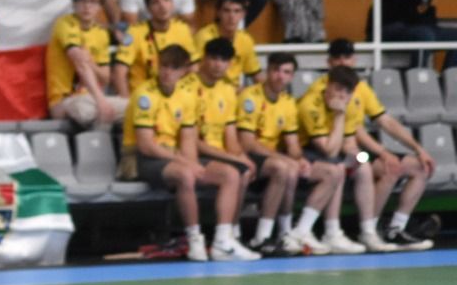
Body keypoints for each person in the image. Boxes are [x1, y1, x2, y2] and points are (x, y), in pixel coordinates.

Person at [120, 44, 258, 262]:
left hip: (171, 155)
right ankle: (195, 240)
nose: (167, 72)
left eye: (174, 68)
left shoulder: (186, 96)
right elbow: (146, 146)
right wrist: (188, 165)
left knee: (230, 174)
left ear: (184, 71)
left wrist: (193, 163)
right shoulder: (144, 95)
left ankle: (223, 241)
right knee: (185, 174)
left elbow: (188, 140)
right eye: (164, 65)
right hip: (138, 159)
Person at [300, 43, 437, 249]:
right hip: (334, 154)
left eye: (347, 57)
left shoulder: (359, 88)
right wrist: (379, 153)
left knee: (417, 166)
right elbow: (338, 143)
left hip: (357, 151)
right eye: (337, 58)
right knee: (369, 165)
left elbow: (380, 123)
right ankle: (366, 231)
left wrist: (416, 149)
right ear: (329, 63)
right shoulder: (323, 93)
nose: (342, 62)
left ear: (354, 60)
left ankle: (393, 229)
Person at [235, 52, 345, 256]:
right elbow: (247, 143)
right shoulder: (250, 96)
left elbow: (292, 144)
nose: (280, 76)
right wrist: (285, 158)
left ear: (292, 76)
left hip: (277, 158)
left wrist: (300, 159)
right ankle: (262, 237)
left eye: (286, 72)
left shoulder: (288, 103)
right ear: (268, 71)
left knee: (334, 172)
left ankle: (296, 232)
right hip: (251, 158)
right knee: (283, 168)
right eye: (276, 70)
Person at [181, 40, 263, 251]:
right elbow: (193, 141)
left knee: (244, 171)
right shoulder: (186, 88)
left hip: (219, 154)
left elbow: (231, 138)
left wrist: (241, 156)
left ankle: (231, 234)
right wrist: (233, 159)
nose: (218, 65)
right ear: (203, 59)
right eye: (214, 59)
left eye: (224, 60)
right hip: (193, 154)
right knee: (233, 173)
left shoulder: (227, 90)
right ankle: (222, 240)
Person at [46, 0, 123, 127]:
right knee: (87, 110)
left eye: (93, 1)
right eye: (82, 0)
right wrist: (102, 101)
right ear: (74, 4)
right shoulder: (65, 24)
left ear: (100, 7)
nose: (87, 6)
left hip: (92, 98)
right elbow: (80, 63)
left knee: (132, 108)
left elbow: (105, 78)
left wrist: (91, 62)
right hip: (64, 101)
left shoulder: (101, 33)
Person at [113, 0, 196, 95]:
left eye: (166, 0)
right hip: (143, 99)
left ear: (172, 3)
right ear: (148, 8)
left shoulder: (183, 29)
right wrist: (127, 104)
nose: (162, 6)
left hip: (177, 99)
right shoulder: (135, 32)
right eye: (155, 2)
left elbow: (193, 67)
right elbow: (119, 71)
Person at [195, 0, 260, 90]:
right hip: (207, 90)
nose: (231, 16)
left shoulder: (246, 40)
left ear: (243, 14)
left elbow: (256, 74)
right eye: (226, 11)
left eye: (237, 11)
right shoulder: (204, 36)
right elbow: (194, 70)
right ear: (218, 13)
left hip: (235, 93)